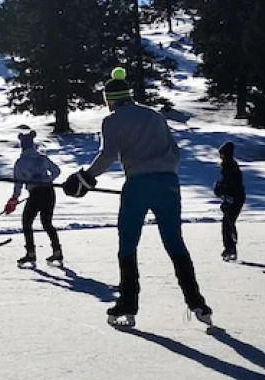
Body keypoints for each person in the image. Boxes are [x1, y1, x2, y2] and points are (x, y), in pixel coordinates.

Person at [64, 67, 212, 328]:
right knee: (175, 243)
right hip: (168, 184)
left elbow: (108, 155)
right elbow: (175, 152)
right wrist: (161, 175)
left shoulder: (112, 120)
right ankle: (197, 303)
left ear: (110, 99)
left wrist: (84, 179)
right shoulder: (154, 115)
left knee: (128, 244)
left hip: (137, 186)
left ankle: (128, 304)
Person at [4, 130, 63, 267]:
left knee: (27, 222)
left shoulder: (20, 163)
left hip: (36, 194)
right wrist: (47, 180)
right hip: (49, 192)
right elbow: (57, 171)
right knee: (47, 223)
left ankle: (31, 253)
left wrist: (14, 199)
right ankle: (57, 250)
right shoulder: (42, 158)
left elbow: (18, 184)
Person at [214, 140, 245, 261]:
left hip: (235, 197)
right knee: (228, 223)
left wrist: (224, 193)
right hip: (235, 197)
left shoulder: (229, 166)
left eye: (221, 154)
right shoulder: (229, 165)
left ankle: (230, 249)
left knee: (228, 224)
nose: (220, 156)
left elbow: (232, 185)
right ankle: (230, 248)